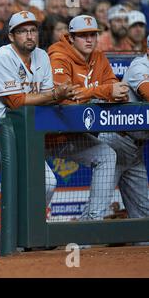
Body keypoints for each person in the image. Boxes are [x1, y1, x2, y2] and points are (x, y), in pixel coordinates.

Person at [0, 11, 76, 243]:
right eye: (23, 31)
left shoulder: (42, 56)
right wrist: (55, 93)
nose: (29, 35)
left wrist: (56, 95)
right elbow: (15, 102)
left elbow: (46, 99)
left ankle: (19, 236)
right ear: (11, 36)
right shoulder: (2, 56)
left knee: (48, 183)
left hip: (17, 134)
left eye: (33, 30)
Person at [48, 14, 129, 221]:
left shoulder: (99, 57)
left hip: (70, 135)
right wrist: (101, 91)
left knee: (107, 155)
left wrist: (111, 91)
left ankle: (92, 222)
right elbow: (66, 100)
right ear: (72, 38)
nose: (89, 40)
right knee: (46, 183)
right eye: (83, 36)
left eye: (92, 34)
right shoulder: (58, 56)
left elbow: (114, 87)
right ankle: (28, 238)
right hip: (42, 135)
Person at [98, 35, 149, 220]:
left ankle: (142, 247)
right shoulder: (140, 65)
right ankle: (80, 246)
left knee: (144, 212)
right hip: (116, 142)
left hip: (135, 149)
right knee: (98, 207)